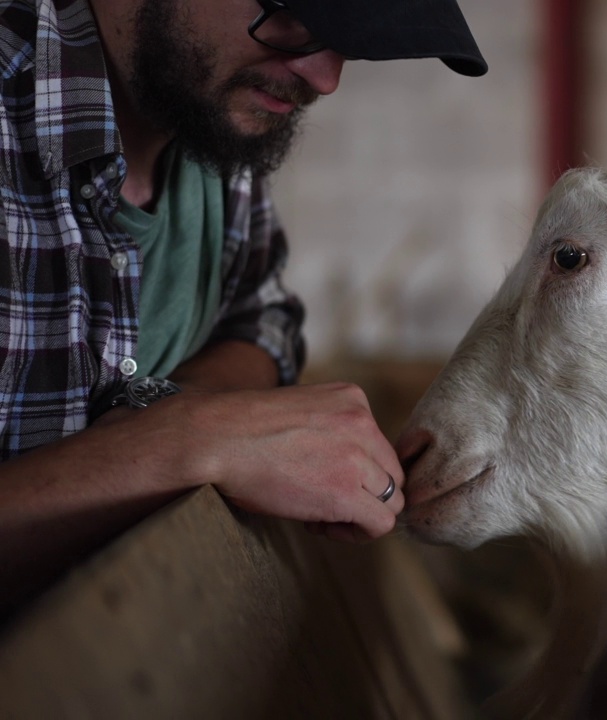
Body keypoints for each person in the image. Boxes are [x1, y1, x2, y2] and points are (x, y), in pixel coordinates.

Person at [0, 0, 487, 609]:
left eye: (348, 43)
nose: (325, 77)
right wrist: (181, 441)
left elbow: (260, 316)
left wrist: (177, 415)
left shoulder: (206, 112)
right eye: (297, 16)